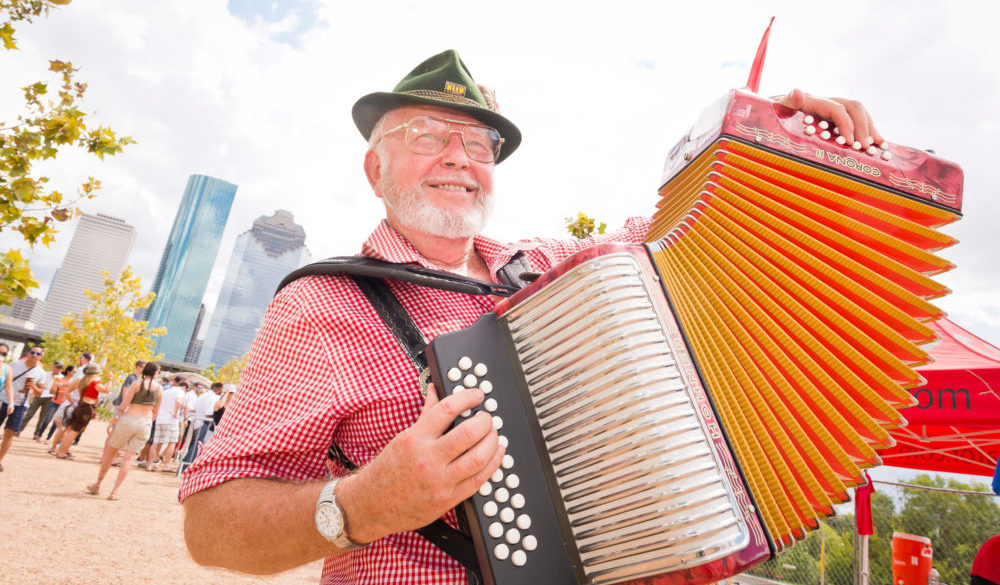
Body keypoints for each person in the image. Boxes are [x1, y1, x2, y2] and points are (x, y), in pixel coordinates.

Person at [180, 50, 885, 583]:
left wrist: (785, 142)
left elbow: (694, 230)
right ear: (376, 169)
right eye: (428, 135)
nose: (459, 157)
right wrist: (364, 503)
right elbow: (210, 525)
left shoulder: (557, 264)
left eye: (480, 145)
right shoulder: (323, 303)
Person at [86, 361, 162, 500]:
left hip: (129, 419)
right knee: (128, 459)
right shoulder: (160, 389)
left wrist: (113, 421)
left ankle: (98, 484)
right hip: (145, 423)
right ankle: (114, 491)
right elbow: (156, 411)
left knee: (111, 452)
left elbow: (123, 405)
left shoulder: (136, 384)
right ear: (156, 373)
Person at [0, 345, 46, 471]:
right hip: (4, 399)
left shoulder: (40, 373)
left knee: (9, 433)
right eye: (32, 352)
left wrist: (34, 387)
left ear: (41, 356)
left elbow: (40, 393)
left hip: (21, 404)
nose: (34, 355)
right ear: (27, 353)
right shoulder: (14, 364)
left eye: (37, 354)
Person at [54, 363, 106, 459]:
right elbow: (106, 390)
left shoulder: (83, 380)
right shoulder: (94, 383)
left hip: (80, 406)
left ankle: (61, 450)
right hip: (84, 408)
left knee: (71, 430)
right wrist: (110, 380)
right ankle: (61, 452)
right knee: (74, 431)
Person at [180, 382, 223, 467]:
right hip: (204, 423)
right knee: (197, 446)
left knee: (194, 445)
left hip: (197, 422)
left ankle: (186, 464)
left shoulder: (203, 395)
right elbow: (208, 413)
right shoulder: (213, 398)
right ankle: (186, 465)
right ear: (219, 389)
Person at [148, 374, 184, 473]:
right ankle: (166, 465)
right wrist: (176, 413)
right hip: (171, 420)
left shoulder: (166, 391)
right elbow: (178, 401)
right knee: (171, 442)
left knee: (155, 442)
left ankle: (150, 464)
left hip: (161, 418)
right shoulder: (179, 392)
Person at [20, 362, 61, 440]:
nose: (59, 369)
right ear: (53, 367)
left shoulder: (61, 377)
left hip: (50, 398)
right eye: (57, 367)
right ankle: (19, 429)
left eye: (60, 368)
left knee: (43, 417)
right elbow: (39, 383)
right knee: (30, 413)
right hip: (39, 395)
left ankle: (36, 434)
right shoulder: (45, 374)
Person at [43, 365, 75, 443]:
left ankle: (48, 438)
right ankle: (39, 435)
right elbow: (52, 391)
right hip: (54, 402)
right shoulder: (59, 379)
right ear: (68, 371)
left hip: (63, 404)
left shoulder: (73, 382)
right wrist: (64, 391)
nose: (74, 373)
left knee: (56, 423)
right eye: (74, 371)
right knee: (47, 419)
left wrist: (61, 391)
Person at [0, 343, 14, 471]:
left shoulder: (7, 368)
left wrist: (11, 402)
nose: (1, 355)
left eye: (3, 353)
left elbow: (9, 387)